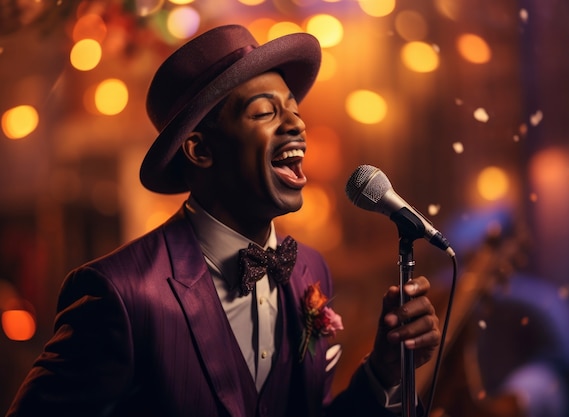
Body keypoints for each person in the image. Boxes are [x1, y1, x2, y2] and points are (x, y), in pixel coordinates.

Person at [5, 24, 441, 417]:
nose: (296, 124)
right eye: (265, 112)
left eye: (293, 109)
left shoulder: (310, 272)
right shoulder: (120, 295)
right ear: (200, 150)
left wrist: (384, 371)